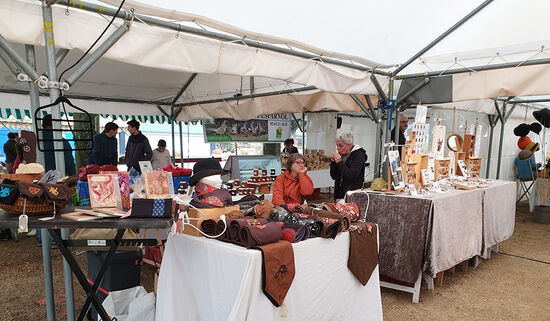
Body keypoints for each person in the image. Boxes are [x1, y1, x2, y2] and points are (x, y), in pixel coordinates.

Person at [329, 129, 367, 201]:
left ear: (349, 145)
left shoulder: (358, 155)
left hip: (353, 196)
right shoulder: (341, 155)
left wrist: (340, 162)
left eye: (341, 146)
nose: (338, 148)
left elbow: (352, 176)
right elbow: (334, 176)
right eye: (337, 145)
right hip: (339, 194)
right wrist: (333, 162)